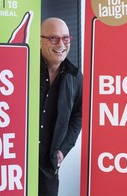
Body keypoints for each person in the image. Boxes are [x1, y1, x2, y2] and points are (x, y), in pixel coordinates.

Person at [39, 17, 82, 196]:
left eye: (65, 38)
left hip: (48, 165)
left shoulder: (75, 76)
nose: (61, 44)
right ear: (39, 41)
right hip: (18, 159)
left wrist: (63, 150)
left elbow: (78, 115)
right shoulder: (25, 67)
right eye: (54, 38)